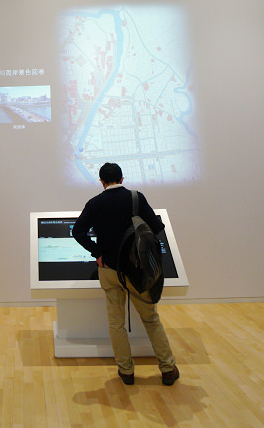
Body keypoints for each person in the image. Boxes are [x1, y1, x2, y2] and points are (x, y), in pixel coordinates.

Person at [72, 162, 179, 386]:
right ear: (122, 179)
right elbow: (157, 227)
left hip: (109, 271)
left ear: (101, 182)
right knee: (151, 319)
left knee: (116, 323)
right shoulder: (135, 198)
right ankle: (168, 369)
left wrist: (97, 252)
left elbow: (78, 231)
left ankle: (126, 371)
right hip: (137, 271)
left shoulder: (95, 203)